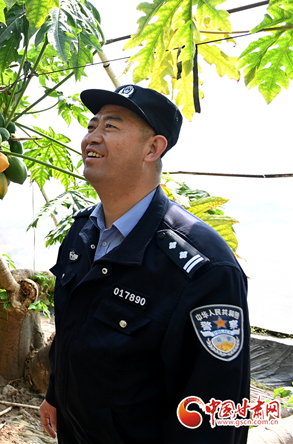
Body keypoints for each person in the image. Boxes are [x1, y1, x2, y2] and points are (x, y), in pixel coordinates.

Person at [38, 85, 250, 443]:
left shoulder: (204, 269)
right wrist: (56, 393)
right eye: (92, 125)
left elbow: (214, 412)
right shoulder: (82, 232)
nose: (92, 136)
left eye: (111, 126)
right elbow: (73, 327)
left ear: (152, 149)